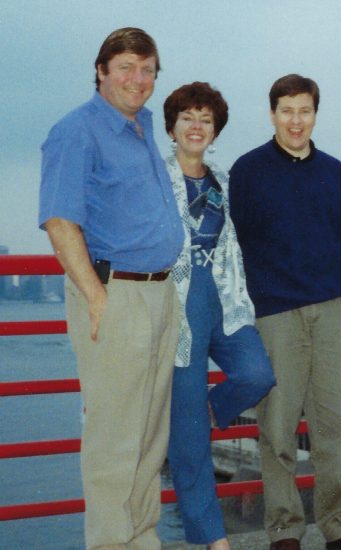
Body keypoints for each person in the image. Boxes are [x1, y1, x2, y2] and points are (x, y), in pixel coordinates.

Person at [38, 28, 184, 549]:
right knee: (115, 439)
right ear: (101, 71)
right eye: (126, 67)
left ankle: (141, 538)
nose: (137, 79)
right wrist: (97, 298)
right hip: (116, 293)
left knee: (149, 436)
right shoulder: (76, 131)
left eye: (147, 70)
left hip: (159, 294)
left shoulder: (144, 126)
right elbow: (59, 222)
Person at [229, 74, 341, 550]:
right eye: (287, 111)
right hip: (276, 313)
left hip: (330, 307)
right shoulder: (248, 170)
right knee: (278, 428)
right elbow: (240, 239)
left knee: (337, 424)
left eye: (305, 111)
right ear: (272, 114)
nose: (296, 121)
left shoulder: (333, 171)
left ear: (316, 114)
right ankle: (284, 529)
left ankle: (340, 525)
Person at [163, 82, 276, 550]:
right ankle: (213, 538)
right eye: (187, 118)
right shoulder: (155, 178)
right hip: (176, 300)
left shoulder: (226, 182)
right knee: (190, 441)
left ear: (215, 130)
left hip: (225, 295)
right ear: (172, 127)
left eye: (205, 120)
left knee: (257, 373)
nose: (196, 127)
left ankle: (206, 411)